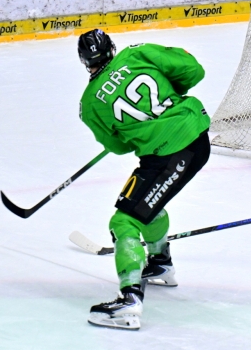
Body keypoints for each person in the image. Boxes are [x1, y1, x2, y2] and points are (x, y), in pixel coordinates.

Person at [77, 29, 211, 330]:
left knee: (124, 222)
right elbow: (193, 71)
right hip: (194, 135)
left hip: (170, 154)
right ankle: (160, 263)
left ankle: (130, 300)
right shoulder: (136, 53)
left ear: (85, 62)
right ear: (112, 48)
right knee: (144, 207)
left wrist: (138, 128)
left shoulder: (89, 106)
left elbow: (118, 146)